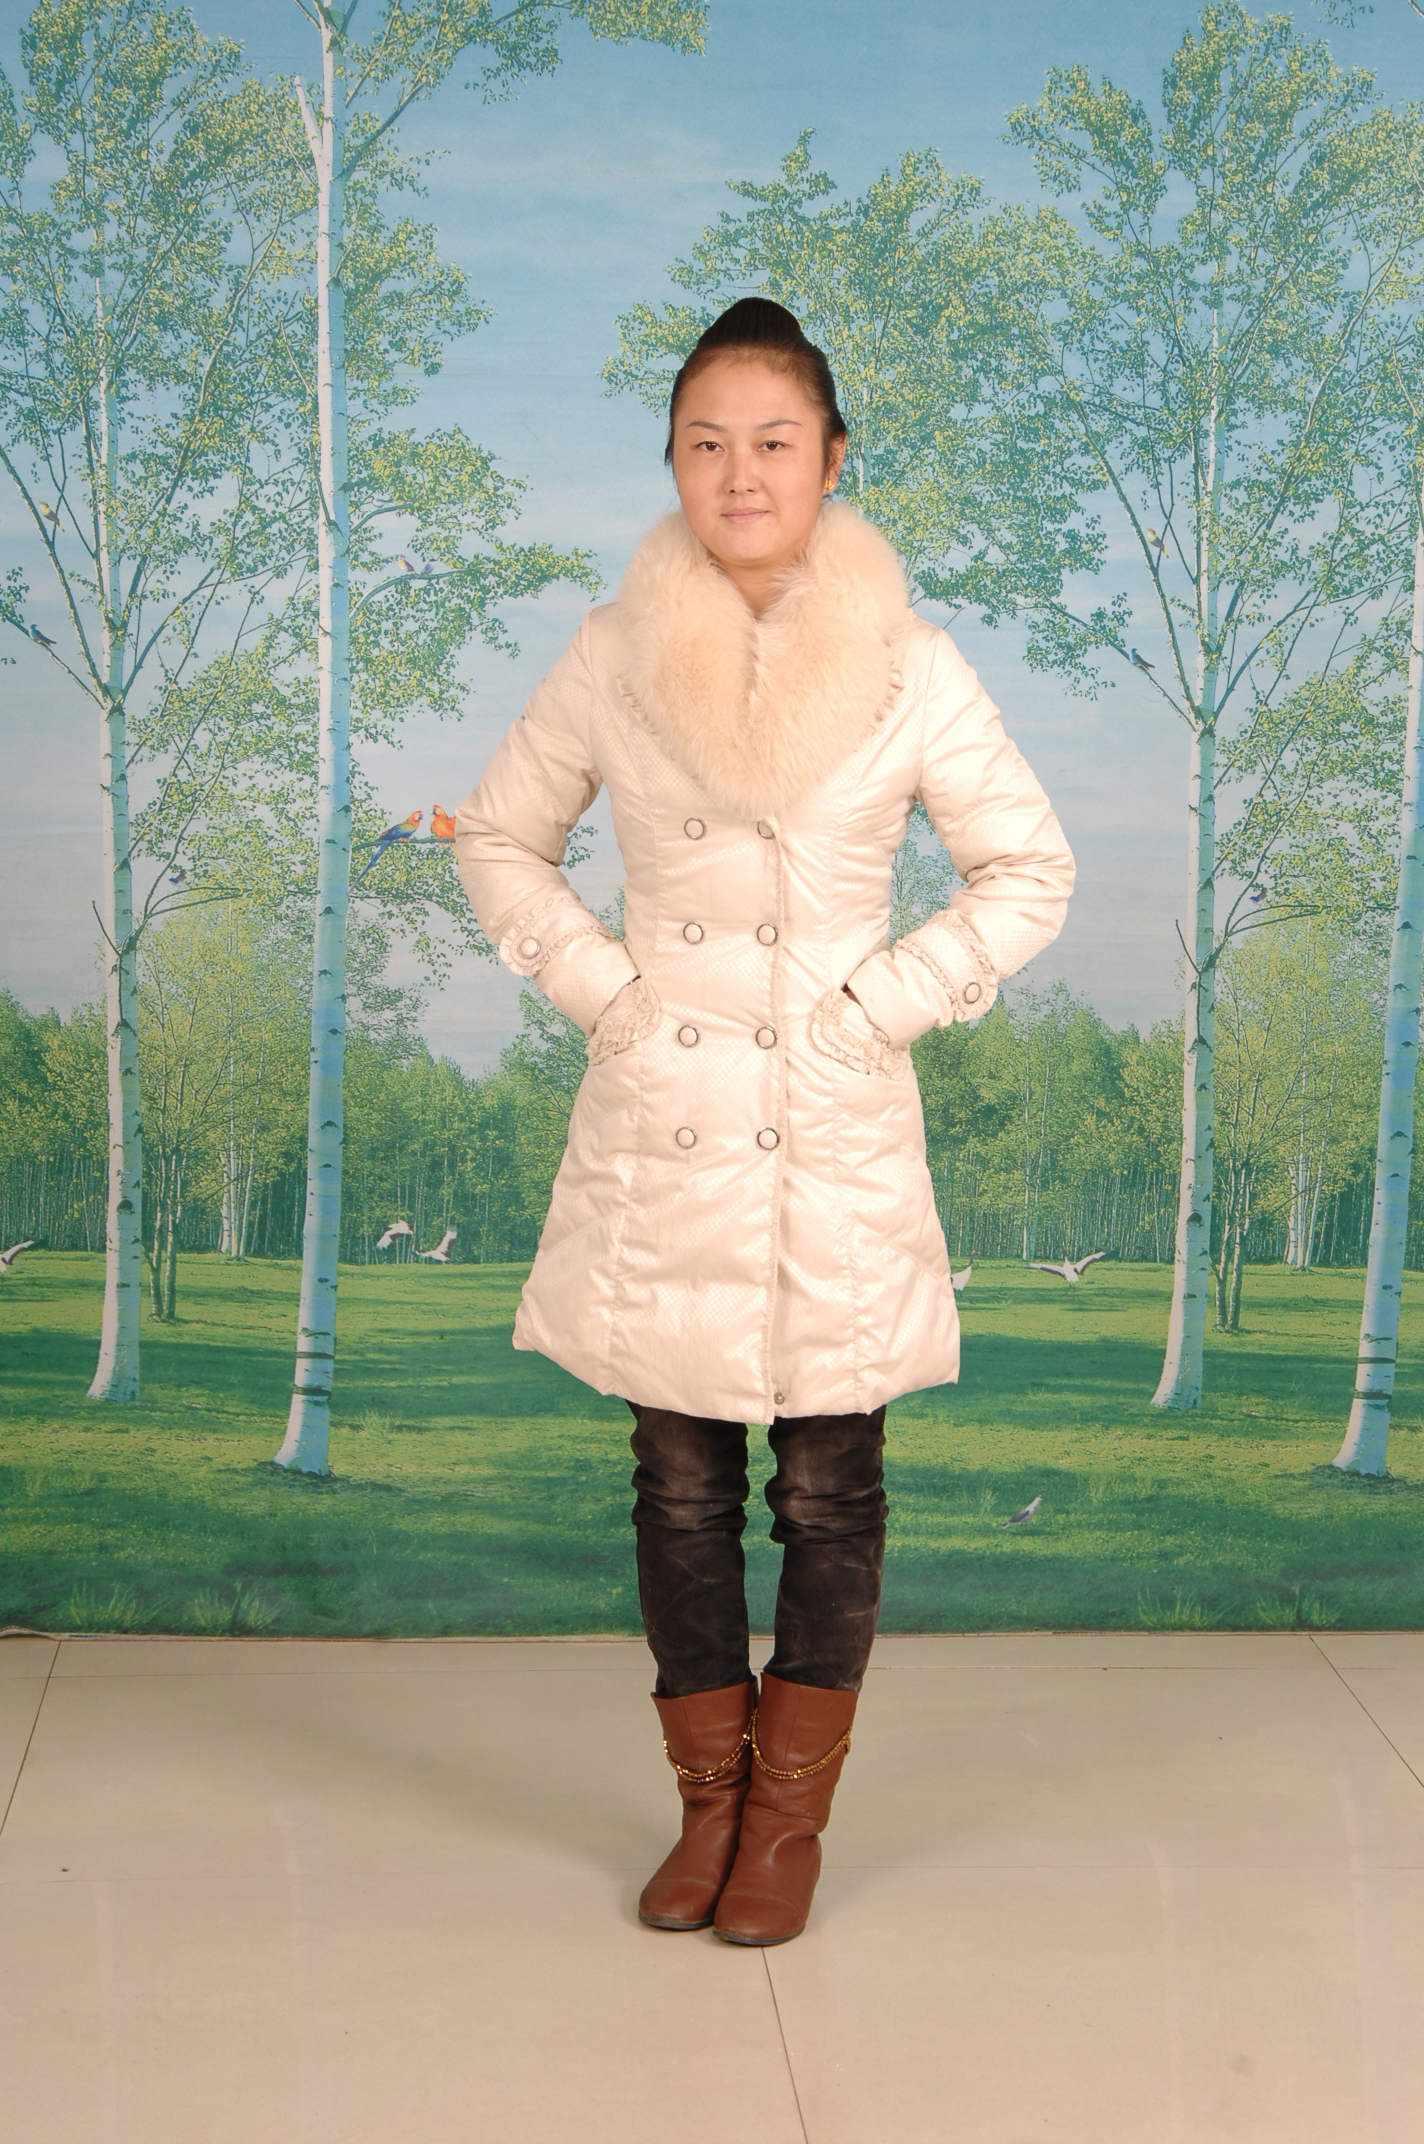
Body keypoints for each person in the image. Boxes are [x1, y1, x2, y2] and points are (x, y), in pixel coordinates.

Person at [454, 297, 1074, 1947]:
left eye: (775, 441)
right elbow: (499, 840)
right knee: (674, 1484)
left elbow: (1029, 870)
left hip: (832, 1125)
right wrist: (611, 995)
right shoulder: (613, 652)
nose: (742, 473)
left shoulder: (911, 664)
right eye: (707, 442)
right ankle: (706, 1811)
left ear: (831, 459)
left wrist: (880, 1005)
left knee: (827, 1486)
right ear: (672, 460)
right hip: (666, 1112)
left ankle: (787, 1826)